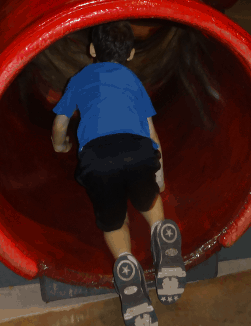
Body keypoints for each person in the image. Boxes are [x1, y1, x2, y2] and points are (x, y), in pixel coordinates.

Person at [51, 20, 186, 326]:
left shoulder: (79, 78)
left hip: (97, 159)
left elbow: (60, 123)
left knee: (114, 220)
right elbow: (151, 132)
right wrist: (160, 173)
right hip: (138, 150)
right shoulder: (132, 80)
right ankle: (160, 232)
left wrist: (61, 145)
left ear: (91, 49)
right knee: (148, 198)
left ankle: (126, 267)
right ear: (132, 54)